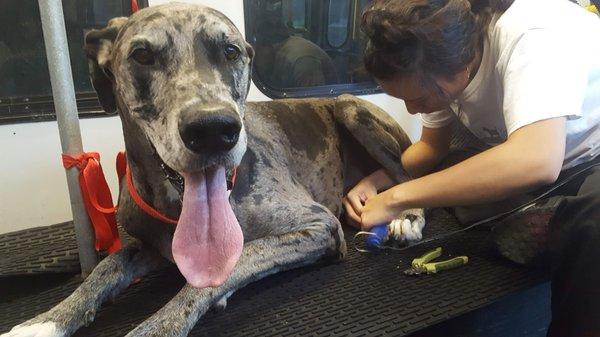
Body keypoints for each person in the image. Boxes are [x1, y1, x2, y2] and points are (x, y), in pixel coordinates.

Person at [343, 0, 600, 336]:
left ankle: (557, 223)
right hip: (549, 155)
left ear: (461, 67)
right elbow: (431, 149)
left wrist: (397, 199)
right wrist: (379, 182)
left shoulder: (531, 33)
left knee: (591, 223)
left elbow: (537, 159)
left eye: (419, 99)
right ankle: (542, 217)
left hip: (584, 154)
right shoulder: (442, 64)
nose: (412, 108)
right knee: (454, 176)